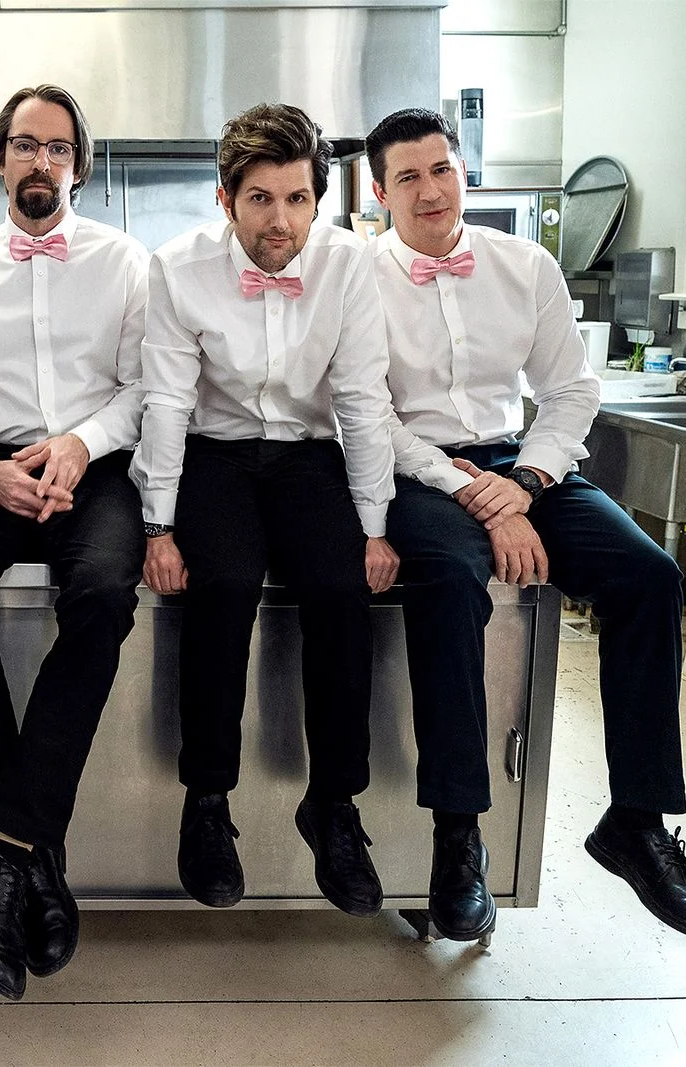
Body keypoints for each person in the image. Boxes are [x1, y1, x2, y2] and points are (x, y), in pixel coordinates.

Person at [364, 107, 686, 945]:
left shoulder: (523, 265)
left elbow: (570, 391)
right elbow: (364, 414)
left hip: (519, 462)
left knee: (649, 576)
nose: (431, 190)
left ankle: (636, 823)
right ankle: (458, 839)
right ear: (381, 191)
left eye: (443, 169)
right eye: (409, 177)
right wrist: (469, 488)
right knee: (453, 581)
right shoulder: (356, 276)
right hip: (421, 468)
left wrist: (523, 482)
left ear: (465, 174)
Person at [132, 103, 398, 918]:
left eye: (295, 199)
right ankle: (207, 802)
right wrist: (158, 524)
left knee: (339, 590)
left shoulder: (350, 266)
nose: (279, 220)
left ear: (317, 198)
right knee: (222, 587)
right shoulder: (177, 267)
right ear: (225, 198)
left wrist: (376, 525)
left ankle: (335, 803)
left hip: (310, 457)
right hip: (215, 454)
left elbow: (361, 396)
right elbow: (168, 401)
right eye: (259, 199)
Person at [0, 84, 148, 1000]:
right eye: (23, 145)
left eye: (56, 147)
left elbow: (141, 387)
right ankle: (30, 853)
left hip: (93, 469)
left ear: (79, 166)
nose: (39, 160)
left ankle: (4, 851)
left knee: (100, 593)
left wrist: (80, 445)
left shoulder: (128, 264)